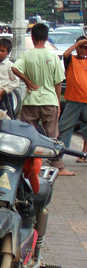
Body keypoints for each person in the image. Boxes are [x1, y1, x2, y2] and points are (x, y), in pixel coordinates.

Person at [11, 22, 69, 174]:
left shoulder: (27, 55)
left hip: (30, 101)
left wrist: (28, 82)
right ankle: (57, 165)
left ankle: (27, 163)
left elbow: (14, 68)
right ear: (47, 37)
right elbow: (58, 82)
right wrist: (57, 102)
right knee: (52, 135)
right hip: (49, 100)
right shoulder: (53, 56)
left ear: (32, 37)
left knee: (27, 134)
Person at [56, 36, 87, 170]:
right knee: (65, 127)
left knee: (86, 129)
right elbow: (65, 54)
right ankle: (60, 156)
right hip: (73, 100)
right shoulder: (71, 60)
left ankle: (84, 154)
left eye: (85, 48)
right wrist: (78, 44)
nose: (82, 50)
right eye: (81, 47)